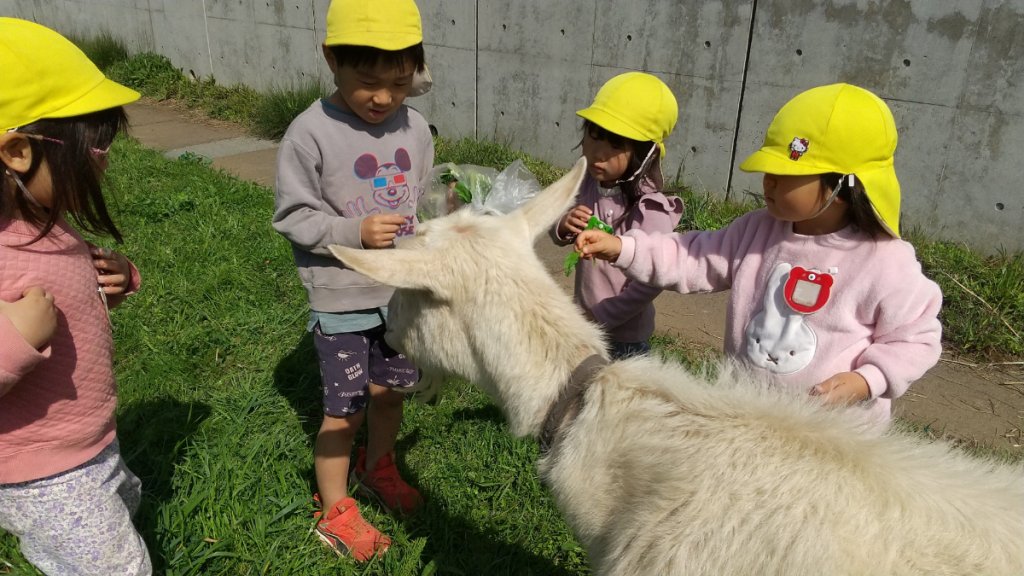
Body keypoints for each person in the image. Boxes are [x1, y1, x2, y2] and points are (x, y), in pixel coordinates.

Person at [575, 83, 942, 424]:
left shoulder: (883, 261)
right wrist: (624, 247)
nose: (768, 181)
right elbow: (691, 256)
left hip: (834, 436)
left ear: (843, 185)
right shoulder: (757, 231)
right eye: (769, 169)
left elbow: (915, 337)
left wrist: (867, 380)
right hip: (750, 417)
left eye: (785, 174)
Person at [271, 0, 432, 561]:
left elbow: (418, 198)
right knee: (345, 408)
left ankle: (378, 466)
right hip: (343, 298)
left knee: (390, 393)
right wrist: (353, 230)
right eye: (368, 81)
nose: (384, 98)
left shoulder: (414, 126)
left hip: (401, 295)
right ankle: (335, 507)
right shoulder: (309, 133)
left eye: (399, 81)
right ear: (331, 60)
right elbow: (292, 217)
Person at [0, 18, 151, 575]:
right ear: (17, 151)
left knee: (120, 512)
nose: (105, 158)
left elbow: (72, 280)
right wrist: (15, 339)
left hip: (89, 440)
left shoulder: (46, 219)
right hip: (38, 469)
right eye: (94, 144)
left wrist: (117, 278)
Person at [551, 72, 684, 358]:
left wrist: (604, 316)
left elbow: (651, 281)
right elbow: (554, 224)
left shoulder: (649, 208)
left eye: (615, 145)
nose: (598, 153)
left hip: (625, 338)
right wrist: (563, 222)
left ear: (645, 155)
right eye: (593, 136)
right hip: (586, 325)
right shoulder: (586, 182)